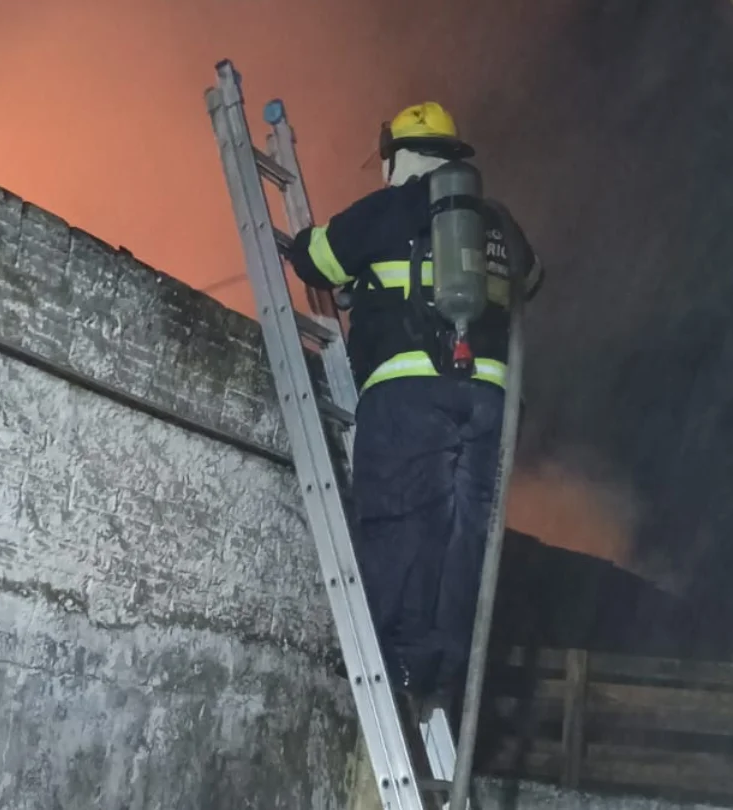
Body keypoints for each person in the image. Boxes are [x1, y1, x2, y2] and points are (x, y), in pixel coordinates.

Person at [286, 101, 542, 701]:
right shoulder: (498, 221)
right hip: (495, 405)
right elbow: (531, 277)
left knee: (403, 523)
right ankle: (443, 673)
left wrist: (307, 247)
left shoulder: (391, 206)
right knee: (465, 538)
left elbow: (316, 259)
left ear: (397, 158)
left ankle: (397, 667)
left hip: (409, 395)